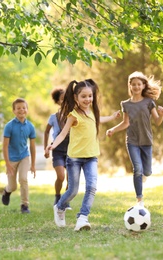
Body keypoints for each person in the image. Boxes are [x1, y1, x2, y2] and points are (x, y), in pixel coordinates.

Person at [45, 79, 120, 231]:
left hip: (91, 157)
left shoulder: (92, 113)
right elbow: (63, 133)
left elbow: (98, 120)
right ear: (76, 98)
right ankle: (59, 206)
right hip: (74, 159)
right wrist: (52, 145)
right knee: (73, 190)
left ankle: (83, 218)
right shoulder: (73, 115)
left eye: (90, 96)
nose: (87, 99)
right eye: (83, 96)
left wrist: (112, 118)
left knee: (92, 187)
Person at [106, 71, 163, 207]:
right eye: (134, 84)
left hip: (146, 141)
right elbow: (126, 123)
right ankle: (139, 200)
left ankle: (142, 178)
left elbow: (157, 121)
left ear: (144, 86)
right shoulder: (126, 104)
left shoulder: (149, 102)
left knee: (147, 171)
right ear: (130, 86)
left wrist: (162, 114)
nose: (136, 87)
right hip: (132, 141)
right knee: (137, 169)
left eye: (139, 84)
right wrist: (113, 130)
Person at [2, 98, 36, 214]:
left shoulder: (30, 127)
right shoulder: (9, 126)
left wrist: (33, 165)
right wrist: (7, 164)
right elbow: (5, 146)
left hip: (24, 157)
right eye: (18, 108)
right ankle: (7, 191)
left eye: (24, 108)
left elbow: (32, 147)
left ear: (27, 110)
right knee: (13, 186)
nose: (21, 110)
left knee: (23, 179)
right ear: (14, 111)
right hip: (11, 158)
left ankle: (24, 205)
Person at [43, 88, 71, 207]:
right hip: (58, 150)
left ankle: (66, 200)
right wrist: (46, 148)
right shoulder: (53, 117)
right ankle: (57, 196)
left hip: (72, 149)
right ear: (58, 101)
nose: (65, 101)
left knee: (71, 178)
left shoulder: (73, 115)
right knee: (61, 176)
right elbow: (46, 132)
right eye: (62, 99)